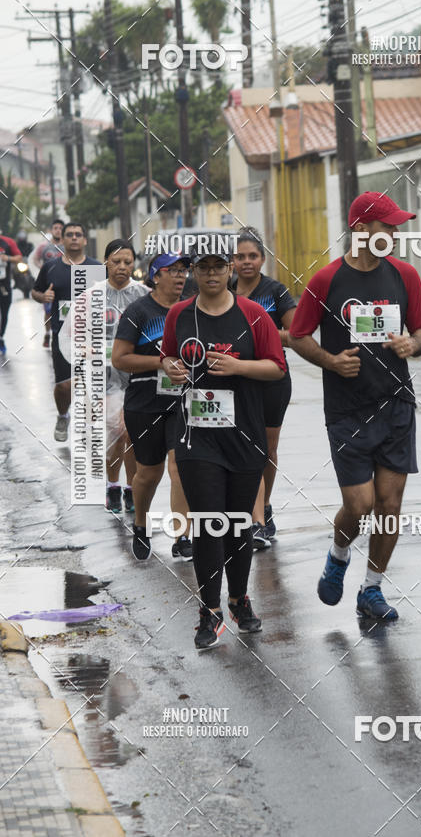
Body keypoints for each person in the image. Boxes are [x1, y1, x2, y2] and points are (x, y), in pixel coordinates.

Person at [288, 192, 421, 622]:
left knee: (390, 505)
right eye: (387, 225)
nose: (395, 232)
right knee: (360, 505)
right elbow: (298, 335)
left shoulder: (405, 275)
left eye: (396, 225)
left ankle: (371, 590)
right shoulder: (326, 281)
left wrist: (413, 344)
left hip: (397, 405)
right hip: (347, 409)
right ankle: (338, 553)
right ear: (362, 229)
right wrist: (330, 361)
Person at [160, 243, 286, 650]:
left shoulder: (254, 315)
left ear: (230, 269)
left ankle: (238, 599)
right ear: (194, 272)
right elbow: (165, 357)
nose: (211, 273)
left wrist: (238, 367)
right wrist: (170, 367)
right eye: (203, 267)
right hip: (197, 436)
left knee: (238, 523)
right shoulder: (180, 314)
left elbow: (276, 367)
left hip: (244, 435)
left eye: (218, 266)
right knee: (208, 521)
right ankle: (208, 610)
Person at [111, 253, 193, 562]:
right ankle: (141, 525)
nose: (180, 276)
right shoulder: (139, 311)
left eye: (183, 270)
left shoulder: (192, 309)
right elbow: (120, 358)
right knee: (148, 473)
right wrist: (161, 363)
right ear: (156, 276)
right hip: (145, 402)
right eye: (172, 271)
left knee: (180, 467)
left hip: (183, 402)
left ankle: (182, 536)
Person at [59, 239, 149, 514]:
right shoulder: (90, 296)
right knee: (116, 434)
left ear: (134, 264)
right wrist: (83, 349)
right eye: (116, 261)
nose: (122, 267)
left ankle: (132, 489)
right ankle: (113, 485)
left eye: (127, 262)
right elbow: (69, 335)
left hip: (136, 376)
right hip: (103, 377)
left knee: (132, 433)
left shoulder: (145, 296)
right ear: (106, 262)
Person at [232, 227, 296, 549]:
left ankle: (264, 508)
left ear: (263, 259)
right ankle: (251, 516)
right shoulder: (223, 289)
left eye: (252, 256)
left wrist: (263, 334)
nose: (246, 262)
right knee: (243, 448)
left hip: (272, 379)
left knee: (266, 450)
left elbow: (296, 333)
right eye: (240, 256)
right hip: (235, 380)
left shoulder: (275, 291)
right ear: (232, 260)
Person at [32, 222, 101, 440]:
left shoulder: (96, 268)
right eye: (69, 234)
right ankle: (63, 415)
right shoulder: (51, 267)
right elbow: (35, 291)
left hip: (91, 337)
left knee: (88, 383)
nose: (73, 238)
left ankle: (91, 429)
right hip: (61, 336)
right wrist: (43, 297)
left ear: (84, 240)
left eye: (77, 235)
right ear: (63, 239)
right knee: (64, 386)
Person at [31, 219, 64, 348]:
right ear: (51, 231)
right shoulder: (44, 247)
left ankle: (63, 334)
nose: (58, 230)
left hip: (64, 282)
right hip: (48, 284)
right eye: (55, 228)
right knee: (49, 311)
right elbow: (35, 259)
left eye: (61, 228)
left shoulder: (68, 247)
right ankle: (48, 333)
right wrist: (43, 268)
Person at [0, 231, 23, 356]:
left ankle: (1, 337)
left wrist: (7, 258)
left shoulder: (8, 242)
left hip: (4, 284)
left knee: (4, 312)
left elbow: (19, 257)